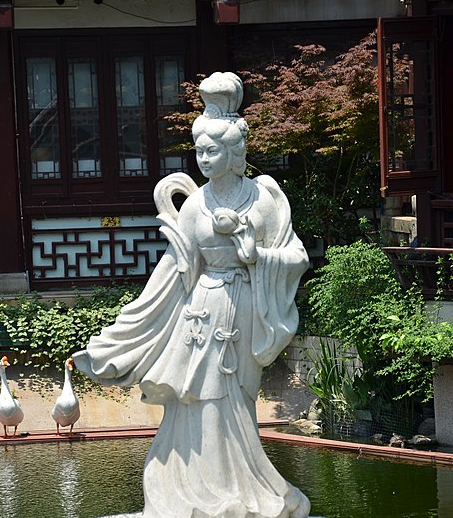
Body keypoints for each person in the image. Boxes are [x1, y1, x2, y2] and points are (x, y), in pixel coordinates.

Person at [73, 72, 311, 518]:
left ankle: (243, 488)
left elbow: (294, 257)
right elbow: (173, 269)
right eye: (199, 150)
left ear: (235, 152)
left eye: (212, 150)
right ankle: (189, 491)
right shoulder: (195, 205)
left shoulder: (263, 197)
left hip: (243, 307)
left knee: (233, 398)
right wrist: (125, 332)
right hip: (200, 311)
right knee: (193, 399)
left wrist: (254, 253)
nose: (203, 158)